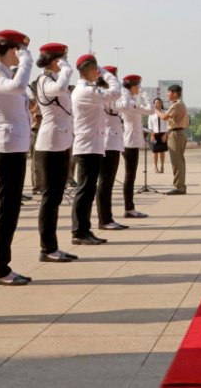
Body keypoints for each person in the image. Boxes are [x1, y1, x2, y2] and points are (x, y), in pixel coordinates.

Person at [0, 30, 34, 286]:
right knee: (6, 210)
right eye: (19, 51)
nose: (21, 56)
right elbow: (18, 88)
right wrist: (27, 62)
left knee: (12, 210)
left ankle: (4, 266)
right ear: (11, 50)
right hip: (5, 149)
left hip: (15, 147)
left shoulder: (6, 74)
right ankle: (0, 269)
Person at [33, 43, 78, 262]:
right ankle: (47, 248)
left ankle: (52, 246)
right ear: (55, 60)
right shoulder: (45, 81)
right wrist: (67, 68)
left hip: (60, 142)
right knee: (50, 198)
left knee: (56, 197)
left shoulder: (54, 80)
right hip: (50, 144)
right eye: (63, 58)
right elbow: (60, 90)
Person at [71, 54, 121, 245]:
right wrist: (107, 74)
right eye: (96, 70)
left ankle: (84, 230)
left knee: (88, 190)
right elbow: (115, 93)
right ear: (93, 70)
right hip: (87, 147)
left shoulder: (87, 90)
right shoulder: (85, 91)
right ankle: (79, 231)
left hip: (92, 145)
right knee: (84, 191)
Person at [96, 65, 127, 230]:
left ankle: (107, 218)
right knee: (105, 183)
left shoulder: (107, 94)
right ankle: (104, 219)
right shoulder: (104, 94)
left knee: (107, 183)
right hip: (108, 142)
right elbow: (124, 105)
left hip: (112, 141)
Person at [119, 74, 154, 218]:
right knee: (129, 176)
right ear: (133, 86)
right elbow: (151, 110)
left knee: (130, 176)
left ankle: (130, 207)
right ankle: (129, 208)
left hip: (131, 141)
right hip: (130, 143)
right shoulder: (130, 103)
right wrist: (145, 94)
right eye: (138, 86)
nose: (139, 89)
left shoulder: (129, 100)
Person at [155, 84, 189, 194]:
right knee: (178, 161)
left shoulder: (177, 105)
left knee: (177, 161)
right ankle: (180, 186)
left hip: (176, 134)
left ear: (175, 94)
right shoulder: (178, 104)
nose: (167, 94)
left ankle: (179, 187)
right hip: (177, 133)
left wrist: (156, 110)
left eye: (168, 92)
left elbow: (164, 117)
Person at [148, 97, 168, 173]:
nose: (158, 104)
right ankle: (155, 167)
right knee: (155, 151)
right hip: (154, 134)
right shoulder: (151, 114)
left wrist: (166, 134)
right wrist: (152, 134)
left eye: (159, 103)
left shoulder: (165, 112)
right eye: (156, 103)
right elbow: (150, 125)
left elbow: (167, 124)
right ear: (154, 104)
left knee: (162, 151)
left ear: (161, 104)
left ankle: (162, 166)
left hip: (163, 134)